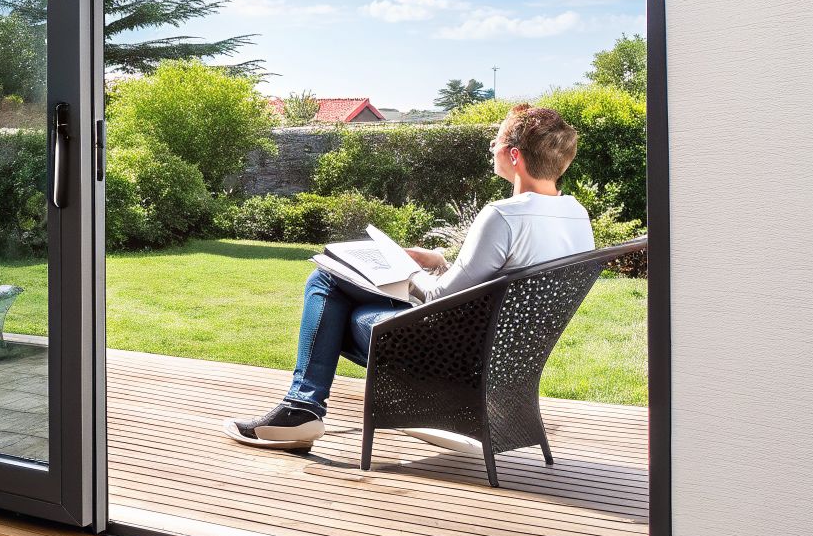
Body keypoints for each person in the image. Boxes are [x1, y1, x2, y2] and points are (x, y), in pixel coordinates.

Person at [223, 103, 595, 450]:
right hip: (501, 360)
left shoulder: (503, 216)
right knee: (342, 299)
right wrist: (441, 262)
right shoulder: (576, 216)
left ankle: (301, 409)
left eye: (495, 141)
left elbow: (437, 299)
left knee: (327, 283)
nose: (491, 148)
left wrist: (410, 269)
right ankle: (301, 410)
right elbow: (501, 283)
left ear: (514, 156)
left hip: (446, 362)